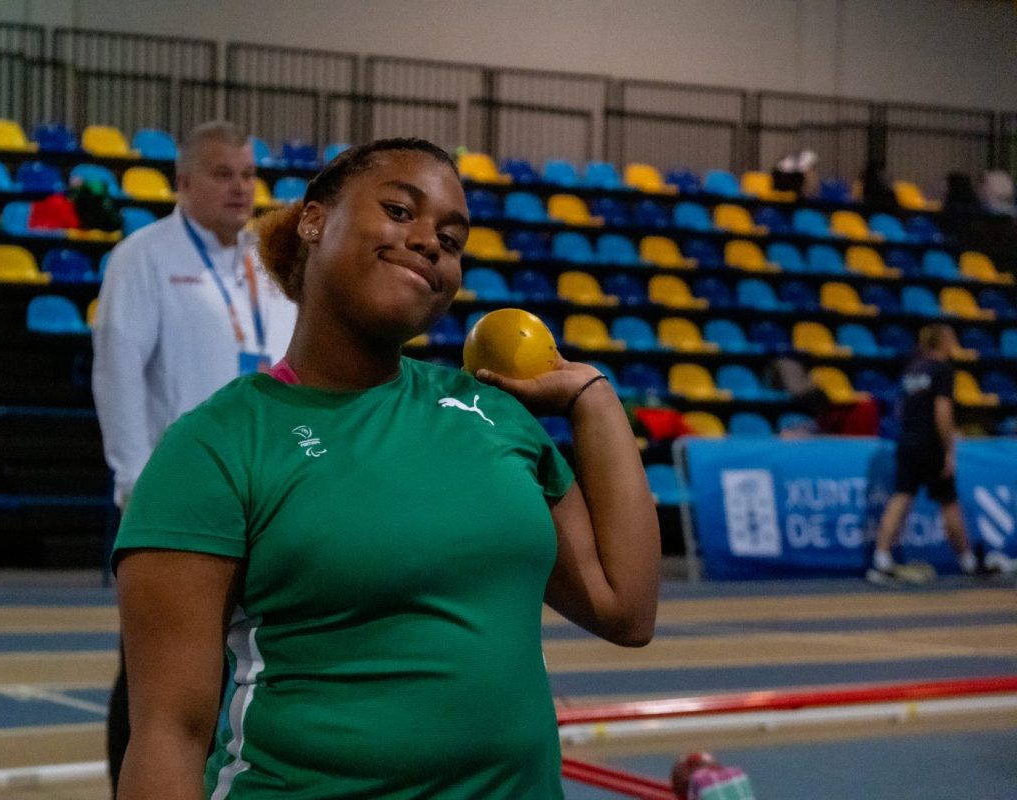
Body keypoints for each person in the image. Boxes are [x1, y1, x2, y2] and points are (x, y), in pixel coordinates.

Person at [111, 138, 661, 799]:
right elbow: (168, 735)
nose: (429, 242)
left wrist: (593, 397)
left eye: (452, 240)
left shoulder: (492, 416)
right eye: (400, 211)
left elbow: (626, 610)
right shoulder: (215, 446)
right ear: (314, 220)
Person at [91, 120, 297, 794]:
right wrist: (133, 482)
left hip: (272, 492)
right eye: (222, 173)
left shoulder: (271, 260)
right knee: (157, 676)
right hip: (179, 500)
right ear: (182, 181)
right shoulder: (143, 257)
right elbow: (118, 374)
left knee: (254, 661)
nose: (240, 187)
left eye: (248, 173)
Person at [867, 324, 978, 584]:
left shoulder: (911, 370)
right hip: (931, 443)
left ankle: (881, 558)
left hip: (907, 440)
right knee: (948, 501)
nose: (954, 343)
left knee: (901, 496)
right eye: (951, 338)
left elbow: (900, 410)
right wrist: (948, 448)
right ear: (941, 341)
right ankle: (967, 561)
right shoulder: (941, 369)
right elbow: (942, 410)